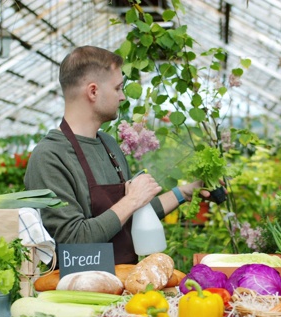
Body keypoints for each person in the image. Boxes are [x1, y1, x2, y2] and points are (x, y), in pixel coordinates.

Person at [24, 46, 207, 265]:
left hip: (126, 285)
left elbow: (132, 214)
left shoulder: (108, 144)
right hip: (82, 293)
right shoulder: (50, 156)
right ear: (93, 92)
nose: (122, 97)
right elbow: (73, 239)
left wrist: (188, 191)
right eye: (118, 88)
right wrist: (132, 200)